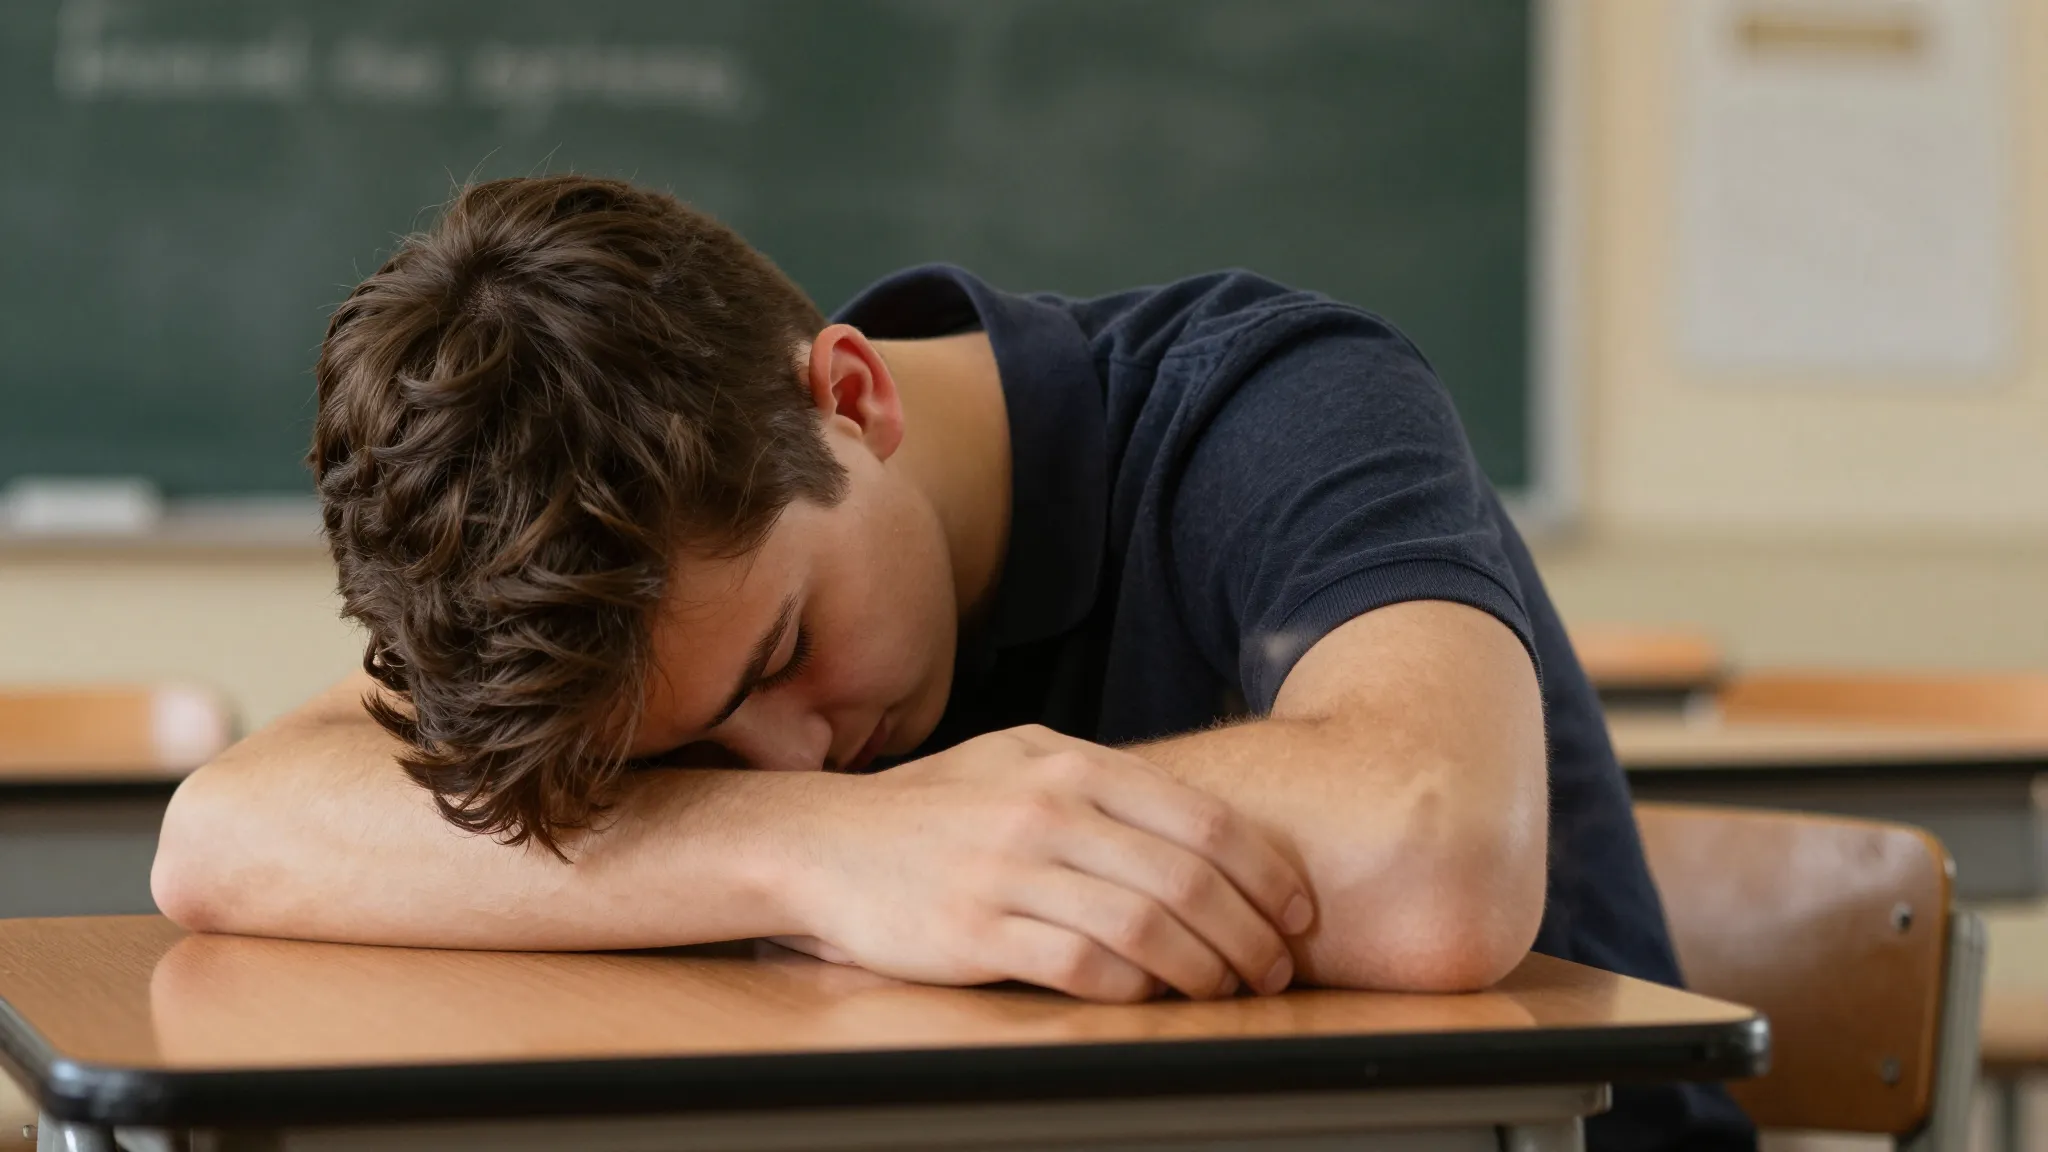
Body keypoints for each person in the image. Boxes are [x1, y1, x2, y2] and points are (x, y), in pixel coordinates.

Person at [151, 175, 1753, 1152]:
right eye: (692, 747)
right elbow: (227, 831)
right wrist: (827, 854)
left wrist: (909, 843)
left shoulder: (1281, 398)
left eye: (785, 649)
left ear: (849, 396)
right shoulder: (625, 618)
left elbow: (1436, 852)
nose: (791, 746)